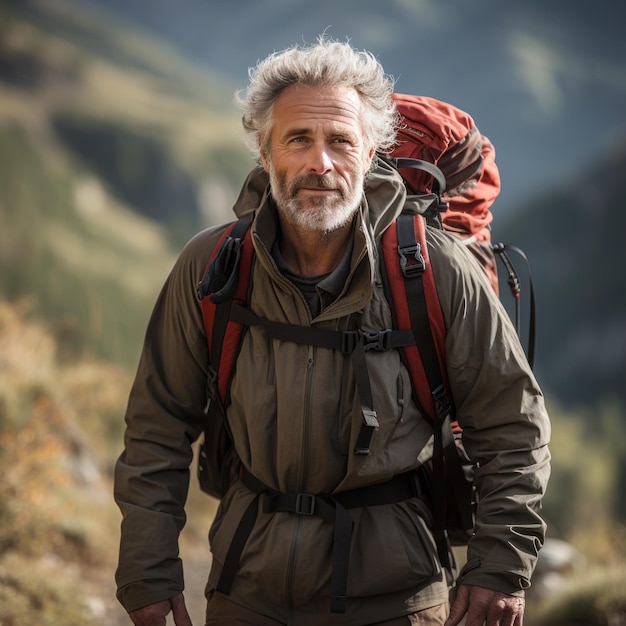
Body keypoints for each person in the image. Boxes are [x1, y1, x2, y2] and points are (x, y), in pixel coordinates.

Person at [114, 38, 551, 626]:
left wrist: (501, 565)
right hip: (248, 591)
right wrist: (147, 568)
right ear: (265, 154)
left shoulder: (434, 269)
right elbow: (157, 426)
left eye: (340, 141)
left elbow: (513, 424)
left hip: (399, 600)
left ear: (370, 153)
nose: (321, 163)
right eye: (298, 140)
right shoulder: (214, 265)